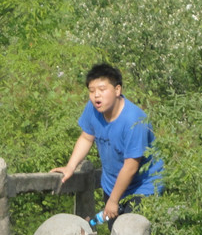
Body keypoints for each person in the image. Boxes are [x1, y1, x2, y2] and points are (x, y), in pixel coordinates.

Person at [51, 63, 164, 222]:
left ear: (117, 90)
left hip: (142, 189)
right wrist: (70, 167)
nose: (96, 95)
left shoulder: (134, 121)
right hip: (112, 185)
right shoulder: (93, 109)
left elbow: (131, 167)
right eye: (92, 91)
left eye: (102, 90)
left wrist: (113, 201)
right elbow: (86, 137)